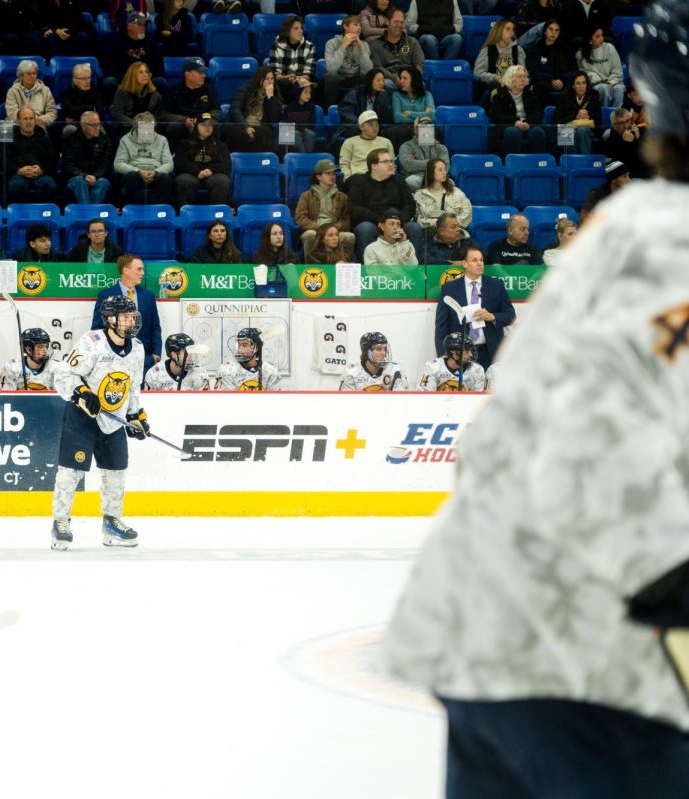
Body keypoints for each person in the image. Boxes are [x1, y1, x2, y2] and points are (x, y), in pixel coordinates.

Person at [386, 7, 689, 791]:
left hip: (489, 631)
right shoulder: (670, 244)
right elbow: (587, 451)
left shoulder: (628, 226)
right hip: (580, 666)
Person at [49, 293, 148, 551]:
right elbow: (64, 374)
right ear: (110, 319)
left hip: (113, 421)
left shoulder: (137, 348)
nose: (130, 320)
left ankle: (111, 523)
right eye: (125, 316)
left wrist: (136, 415)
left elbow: (133, 387)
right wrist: (82, 393)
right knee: (70, 472)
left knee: (116, 473)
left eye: (131, 315)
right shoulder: (92, 342)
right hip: (82, 417)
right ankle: (60, 522)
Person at [434, 241, 515, 367]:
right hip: (459, 354)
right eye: (475, 260)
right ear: (464, 263)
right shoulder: (449, 289)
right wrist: (443, 356)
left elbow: (510, 315)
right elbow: (441, 326)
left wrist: (492, 316)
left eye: (481, 260)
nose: (480, 263)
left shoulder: (496, 285)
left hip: (490, 353)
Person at [347, 147, 423, 261]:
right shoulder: (359, 182)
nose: (391, 164)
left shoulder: (398, 181)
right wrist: (380, 221)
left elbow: (410, 205)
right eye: (386, 162)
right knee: (365, 228)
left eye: (391, 161)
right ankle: (366, 272)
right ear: (374, 165)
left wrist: (397, 222)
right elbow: (354, 208)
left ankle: (415, 271)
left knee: (414, 228)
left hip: (397, 222)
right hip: (373, 223)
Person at [92, 254, 161, 370]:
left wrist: (156, 355)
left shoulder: (148, 296)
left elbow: (155, 327)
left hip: (144, 360)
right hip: (113, 359)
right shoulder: (106, 295)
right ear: (126, 270)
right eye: (139, 269)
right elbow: (97, 328)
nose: (143, 273)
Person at [159, 56, 221, 151]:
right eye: (200, 72)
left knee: (215, 125)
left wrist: (202, 120)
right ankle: (175, 156)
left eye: (204, 72)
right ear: (188, 74)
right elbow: (163, 114)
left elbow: (217, 111)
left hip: (203, 123)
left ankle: (211, 155)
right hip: (182, 125)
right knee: (173, 127)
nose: (204, 75)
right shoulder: (174, 91)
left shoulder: (209, 89)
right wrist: (184, 120)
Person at [114, 111, 174, 206]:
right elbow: (118, 164)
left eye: (151, 128)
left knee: (165, 178)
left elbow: (169, 164)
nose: (148, 132)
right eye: (144, 129)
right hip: (135, 174)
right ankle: (135, 208)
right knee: (131, 176)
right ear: (136, 128)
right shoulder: (125, 140)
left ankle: (155, 208)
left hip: (155, 173)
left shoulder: (162, 140)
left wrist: (156, 172)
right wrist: (139, 171)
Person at [103, 13, 164, 102]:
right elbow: (107, 64)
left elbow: (158, 62)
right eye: (139, 24)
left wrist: (149, 74)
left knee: (161, 82)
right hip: (123, 78)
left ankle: (159, 110)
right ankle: (112, 109)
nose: (142, 27)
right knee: (109, 82)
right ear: (129, 26)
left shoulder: (150, 41)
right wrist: (128, 76)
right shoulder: (116, 40)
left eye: (144, 25)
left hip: (145, 78)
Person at [173, 113, 231, 208]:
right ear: (196, 126)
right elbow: (179, 163)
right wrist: (196, 171)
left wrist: (212, 170)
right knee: (182, 180)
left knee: (223, 181)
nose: (207, 127)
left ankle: (215, 215)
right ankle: (187, 213)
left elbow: (227, 165)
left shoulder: (220, 145)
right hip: (191, 175)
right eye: (203, 124)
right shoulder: (185, 143)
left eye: (210, 124)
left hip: (213, 175)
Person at [488, 64, 548, 155]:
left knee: (538, 132)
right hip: (509, 125)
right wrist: (515, 122)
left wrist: (528, 122)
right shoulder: (499, 95)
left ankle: (536, 163)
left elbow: (539, 112)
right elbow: (497, 115)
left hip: (528, 124)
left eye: (525, 76)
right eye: (520, 77)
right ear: (511, 78)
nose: (523, 79)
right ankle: (512, 163)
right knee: (512, 132)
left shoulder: (530, 94)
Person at [2, 106, 56, 203]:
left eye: (31, 118)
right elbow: (4, 160)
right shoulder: (9, 137)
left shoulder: (43, 136)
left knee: (50, 185)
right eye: (25, 119)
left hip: (40, 175)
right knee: (14, 186)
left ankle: (45, 215)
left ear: (35, 120)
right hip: (18, 174)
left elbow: (52, 159)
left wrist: (41, 170)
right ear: (18, 121)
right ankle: (16, 216)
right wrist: (18, 170)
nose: (28, 122)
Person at [226, 67, 284, 154]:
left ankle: (263, 161)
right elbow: (235, 110)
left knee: (267, 132)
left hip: (259, 127)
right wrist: (246, 126)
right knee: (240, 134)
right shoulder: (246, 89)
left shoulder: (273, 93)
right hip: (241, 125)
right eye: (267, 79)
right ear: (260, 79)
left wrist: (270, 98)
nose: (270, 82)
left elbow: (275, 119)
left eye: (272, 79)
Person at [322, 15, 374, 108]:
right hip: (339, 78)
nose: (359, 28)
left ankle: (365, 109)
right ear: (345, 26)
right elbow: (331, 68)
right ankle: (330, 109)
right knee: (330, 76)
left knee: (369, 78)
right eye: (355, 25)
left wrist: (361, 49)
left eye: (360, 25)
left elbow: (368, 72)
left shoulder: (364, 45)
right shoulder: (332, 43)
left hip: (356, 78)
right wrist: (343, 46)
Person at [62, 111, 112, 205]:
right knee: (79, 181)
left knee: (103, 182)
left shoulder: (105, 140)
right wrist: (84, 175)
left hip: (98, 177)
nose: (98, 128)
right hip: (76, 178)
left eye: (99, 124)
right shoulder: (71, 140)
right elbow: (68, 165)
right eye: (94, 125)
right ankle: (89, 215)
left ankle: (90, 214)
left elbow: (105, 164)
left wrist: (95, 176)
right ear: (83, 125)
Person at [371, 10, 425, 89]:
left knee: (421, 85)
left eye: (402, 22)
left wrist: (409, 78)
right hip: (388, 80)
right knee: (385, 83)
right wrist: (395, 78)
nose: (399, 25)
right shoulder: (376, 44)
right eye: (396, 21)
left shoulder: (412, 42)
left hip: (409, 80)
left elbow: (420, 65)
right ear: (387, 21)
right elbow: (377, 68)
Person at [413, 158, 471, 229]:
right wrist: (438, 223)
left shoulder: (456, 192)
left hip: (454, 231)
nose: (444, 172)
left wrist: (450, 224)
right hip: (430, 231)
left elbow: (467, 214)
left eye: (444, 169)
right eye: (440, 170)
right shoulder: (419, 194)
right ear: (431, 172)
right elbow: (418, 219)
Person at [215, 327, 280, 391]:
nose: (240, 349)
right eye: (239, 345)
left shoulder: (270, 371)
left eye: (244, 345)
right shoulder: (227, 370)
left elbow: (274, 399)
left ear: (256, 348)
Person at [551, 69, 599, 154]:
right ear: (573, 86)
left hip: (587, 131)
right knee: (567, 130)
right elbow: (556, 121)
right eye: (578, 83)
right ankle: (571, 164)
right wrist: (575, 116)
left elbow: (599, 122)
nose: (582, 86)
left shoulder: (594, 96)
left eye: (584, 83)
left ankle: (584, 164)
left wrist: (589, 117)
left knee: (582, 130)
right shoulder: (564, 97)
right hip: (568, 127)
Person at [338, 331, 406, 390]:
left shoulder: (394, 370)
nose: (383, 353)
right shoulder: (351, 371)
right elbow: (346, 400)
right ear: (366, 352)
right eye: (379, 349)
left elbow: (400, 400)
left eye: (385, 349)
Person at [267, 15, 316, 98]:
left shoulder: (309, 47)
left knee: (311, 86)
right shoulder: (276, 46)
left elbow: (308, 73)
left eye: (301, 28)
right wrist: (288, 78)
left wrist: (298, 79)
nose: (300, 31)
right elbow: (275, 73)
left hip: (302, 82)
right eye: (296, 28)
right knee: (280, 84)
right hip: (283, 82)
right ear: (287, 31)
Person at [525, 19, 576, 98]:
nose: (553, 32)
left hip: (563, 82)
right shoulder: (535, 49)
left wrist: (562, 80)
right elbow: (532, 71)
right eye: (550, 29)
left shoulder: (566, 50)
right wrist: (551, 79)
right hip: (544, 82)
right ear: (545, 31)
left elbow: (574, 69)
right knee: (542, 86)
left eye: (557, 30)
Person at [474, 18, 525, 97]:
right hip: (495, 85)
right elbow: (478, 73)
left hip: (513, 84)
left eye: (512, 30)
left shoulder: (518, 50)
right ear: (499, 31)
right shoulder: (487, 50)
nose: (511, 33)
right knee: (496, 87)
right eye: (508, 29)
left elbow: (523, 72)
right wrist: (496, 78)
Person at [418, 330, 485, 390]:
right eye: (467, 351)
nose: (471, 355)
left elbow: (480, 400)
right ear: (454, 352)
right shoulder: (433, 367)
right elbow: (424, 395)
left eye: (471, 351)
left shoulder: (477, 370)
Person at [397, 115, 448, 190]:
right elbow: (408, 165)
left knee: (451, 183)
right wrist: (435, 163)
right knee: (410, 181)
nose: (427, 130)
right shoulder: (406, 146)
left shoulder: (441, 147)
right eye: (423, 127)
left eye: (429, 127)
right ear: (415, 130)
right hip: (417, 177)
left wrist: (419, 163)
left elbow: (445, 166)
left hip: (437, 176)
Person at [4, 60, 56, 132]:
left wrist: (39, 120)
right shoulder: (12, 91)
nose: (32, 76)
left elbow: (52, 113)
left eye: (34, 73)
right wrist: (27, 120)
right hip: (17, 124)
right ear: (21, 76)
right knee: (5, 128)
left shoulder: (45, 90)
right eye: (28, 74)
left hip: (39, 124)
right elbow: (11, 113)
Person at [144, 333, 208, 390]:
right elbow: (149, 401)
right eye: (185, 351)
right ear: (173, 354)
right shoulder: (154, 374)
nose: (190, 355)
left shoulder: (200, 372)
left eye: (191, 351)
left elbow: (205, 401)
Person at [340, 110, 393, 180]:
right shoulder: (349, 142)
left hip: (382, 177)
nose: (375, 127)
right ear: (361, 127)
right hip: (359, 178)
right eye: (370, 124)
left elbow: (392, 163)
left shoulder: (386, 142)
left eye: (376, 124)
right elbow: (344, 165)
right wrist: (349, 179)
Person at [578, 26, 624, 107]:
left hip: (613, 81)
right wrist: (597, 79)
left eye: (602, 35)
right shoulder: (580, 54)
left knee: (619, 89)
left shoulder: (609, 48)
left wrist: (610, 82)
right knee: (603, 88)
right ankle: (603, 114)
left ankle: (617, 115)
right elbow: (582, 75)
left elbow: (618, 71)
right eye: (597, 36)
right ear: (590, 40)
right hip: (595, 84)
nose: (601, 38)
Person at [111, 62, 163, 130]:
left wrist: (149, 125)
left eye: (146, 72)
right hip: (128, 129)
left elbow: (159, 115)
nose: (145, 75)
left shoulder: (154, 94)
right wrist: (136, 125)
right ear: (133, 75)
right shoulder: (122, 92)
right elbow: (117, 115)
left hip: (149, 130)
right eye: (141, 72)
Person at [58, 65, 104, 137]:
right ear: (75, 80)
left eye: (88, 78)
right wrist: (91, 108)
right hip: (75, 125)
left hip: (92, 124)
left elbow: (100, 113)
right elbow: (68, 112)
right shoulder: (67, 93)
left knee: (101, 130)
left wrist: (77, 111)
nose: (87, 81)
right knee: (69, 129)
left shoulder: (95, 92)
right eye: (83, 79)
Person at [601, 107, 646, 179]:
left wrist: (638, 139)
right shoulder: (609, 144)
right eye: (621, 123)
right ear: (614, 126)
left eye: (627, 121)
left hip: (644, 179)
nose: (626, 126)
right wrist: (627, 144)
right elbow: (622, 170)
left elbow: (647, 163)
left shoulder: (641, 133)